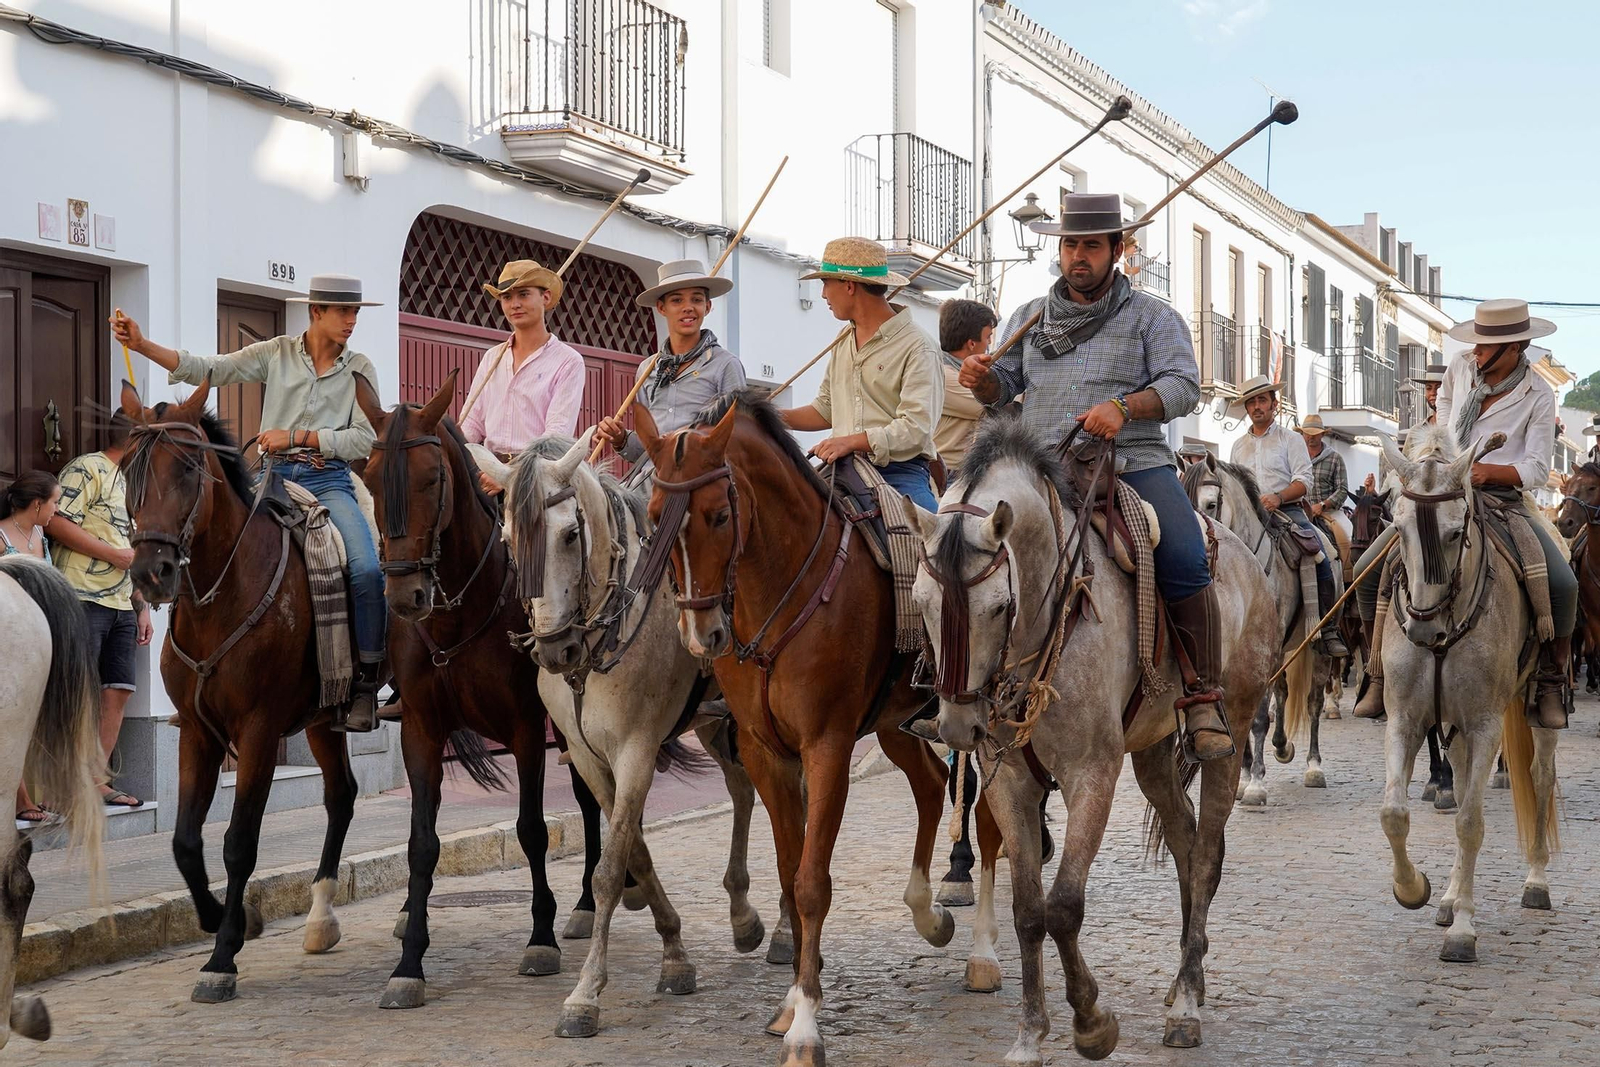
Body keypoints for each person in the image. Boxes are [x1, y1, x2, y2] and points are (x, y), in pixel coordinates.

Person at [957, 192, 1230, 761]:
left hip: (1130, 463)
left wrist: (1125, 408)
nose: (1077, 256)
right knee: (960, 544)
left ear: (1118, 249)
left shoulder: (1154, 316)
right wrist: (981, 381)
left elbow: (1184, 386)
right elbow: (1003, 388)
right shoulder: (1029, 316)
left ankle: (1202, 695)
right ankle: (964, 686)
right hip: (1042, 467)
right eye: (1069, 244)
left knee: (1183, 553)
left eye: (1090, 245)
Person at [111, 273, 386, 731]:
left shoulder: (360, 368)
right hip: (269, 478)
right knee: (208, 546)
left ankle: (364, 685)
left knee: (366, 567)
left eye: (355, 312)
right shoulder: (275, 352)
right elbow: (209, 368)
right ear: (316, 312)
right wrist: (142, 345)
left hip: (329, 480)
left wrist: (300, 435)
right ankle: (194, 677)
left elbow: (366, 435)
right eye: (343, 311)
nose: (352, 320)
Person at [1352, 299, 1575, 727]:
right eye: (1475, 342)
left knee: (1563, 584)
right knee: (1365, 569)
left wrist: (1488, 470)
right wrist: (1441, 467)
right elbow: (1446, 433)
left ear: (1515, 347)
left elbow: (1536, 468)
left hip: (1505, 499)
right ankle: (1377, 672)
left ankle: (1549, 678)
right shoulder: (1459, 369)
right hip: (1445, 493)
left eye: (1486, 345)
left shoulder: (1540, 394)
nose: (1476, 351)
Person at [779, 236, 943, 513]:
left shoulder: (919, 346)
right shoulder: (843, 341)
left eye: (825, 284)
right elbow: (826, 409)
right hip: (842, 472)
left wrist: (849, 441)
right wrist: (766, 416)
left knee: (928, 545)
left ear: (849, 285)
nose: (823, 295)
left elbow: (916, 429)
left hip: (899, 474)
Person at [44, 416, 156, 805]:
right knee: (78, 692)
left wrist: (141, 607)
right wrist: (112, 555)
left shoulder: (132, 484)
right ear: (136, 442)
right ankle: (63, 784)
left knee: (119, 690)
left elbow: (134, 549)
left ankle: (95, 780)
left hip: (122, 603)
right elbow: (54, 521)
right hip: (80, 595)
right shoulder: (87, 468)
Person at [1227, 378, 1349, 657]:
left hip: (1287, 510)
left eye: (1262, 400)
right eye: (1252, 402)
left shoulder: (1291, 439)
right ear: (1246, 407)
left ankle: (1328, 629)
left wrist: (1279, 497)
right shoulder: (1237, 446)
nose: (1257, 406)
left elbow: (1304, 481)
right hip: (1248, 516)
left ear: (1274, 404)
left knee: (1321, 553)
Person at [596, 259, 747, 479]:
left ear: (707, 306)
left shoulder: (725, 365)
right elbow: (649, 452)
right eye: (677, 300)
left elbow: (738, 442)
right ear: (661, 308)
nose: (688, 307)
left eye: (696, 299)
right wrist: (620, 439)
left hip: (698, 488)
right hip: (649, 484)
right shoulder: (647, 370)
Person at [465, 260, 588, 493]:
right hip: (485, 471)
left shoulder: (568, 361)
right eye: (507, 298)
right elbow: (472, 423)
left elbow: (555, 435)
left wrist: (509, 473)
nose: (515, 304)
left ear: (545, 297)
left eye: (523, 294)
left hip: (537, 479)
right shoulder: (492, 358)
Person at [3, 471, 66, 822]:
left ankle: (39, 793)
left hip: (42, 641)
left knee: (40, 720)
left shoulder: (41, 535)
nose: (58, 509)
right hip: (11, 646)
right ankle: (20, 797)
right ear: (38, 503)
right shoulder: (0, 536)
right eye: (55, 502)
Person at [933, 298, 996, 484]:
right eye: (988, 337)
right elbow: (993, 404)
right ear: (971, 344)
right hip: (947, 475)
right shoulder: (944, 375)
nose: (990, 343)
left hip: (962, 471)